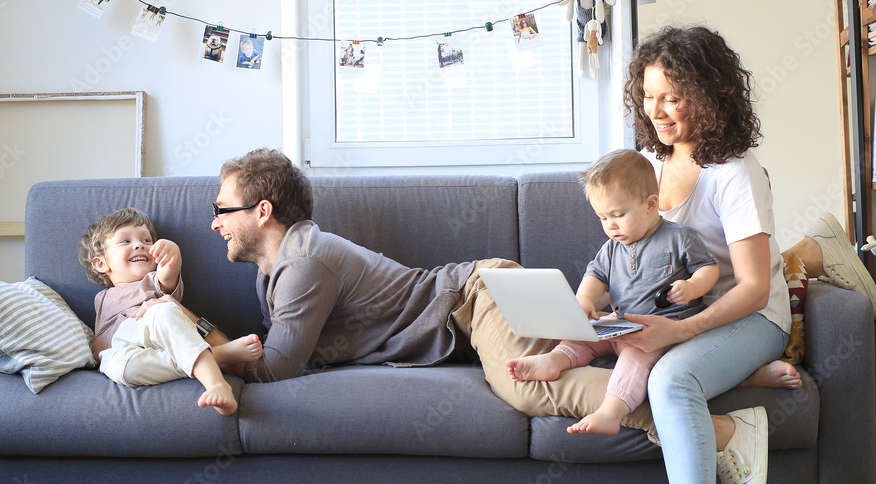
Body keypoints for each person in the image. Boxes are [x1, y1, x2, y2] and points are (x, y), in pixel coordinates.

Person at [205, 147, 657, 433]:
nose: (214, 222)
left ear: (262, 211)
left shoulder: (303, 262)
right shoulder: (279, 266)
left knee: (526, 390)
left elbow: (275, 370)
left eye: (222, 210)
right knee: (583, 349)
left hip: (480, 296)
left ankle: (702, 416)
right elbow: (274, 353)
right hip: (474, 306)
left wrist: (200, 338)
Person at [621, 25, 794, 483]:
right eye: (648, 95)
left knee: (671, 381)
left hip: (754, 316)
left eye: (671, 98)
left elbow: (755, 289)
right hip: (685, 309)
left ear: (708, 95)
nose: (655, 111)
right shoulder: (649, 162)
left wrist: (679, 334)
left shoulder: (735, 172)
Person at [507, 148, 719, 437]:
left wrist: (694, 286)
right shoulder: (612, 248)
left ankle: (611, 411)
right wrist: (584, 299)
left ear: (650, 204)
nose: (611, 225)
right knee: (583, 334)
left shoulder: (678, 238)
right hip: (619, 324)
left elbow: (709, 268)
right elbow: (596, 275)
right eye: (602, 218)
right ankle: (554, 361)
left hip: (660, 333)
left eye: (618, 215)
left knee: (635, 356)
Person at [81, 207, 263, 416]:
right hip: (124, 350)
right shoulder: (101, 298)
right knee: (120, 368)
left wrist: (171, 253)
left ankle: (215, 384)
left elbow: (168, 274)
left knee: (165, 310)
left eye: (146, 240)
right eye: (125, 241)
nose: (139, 245)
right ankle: (217, 355)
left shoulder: (151, 282)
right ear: (100, 263)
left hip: (154, 329)